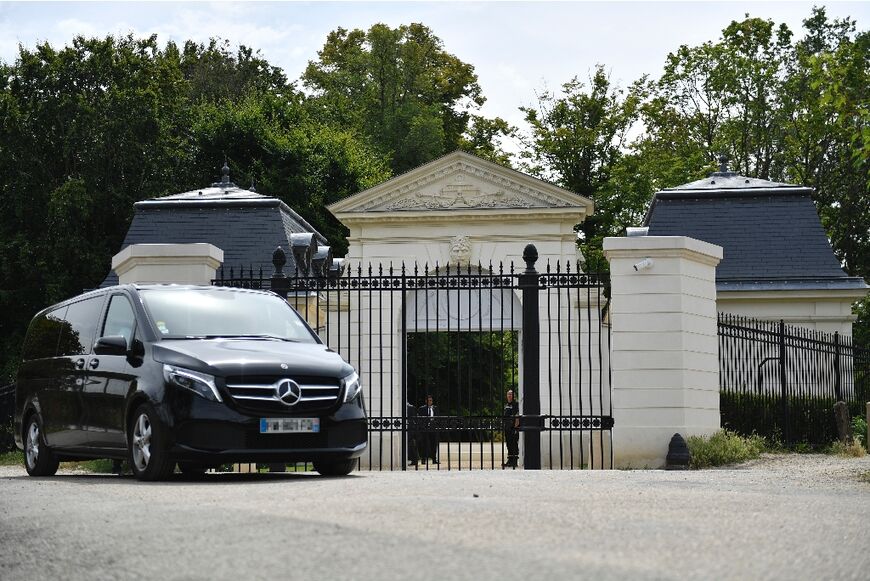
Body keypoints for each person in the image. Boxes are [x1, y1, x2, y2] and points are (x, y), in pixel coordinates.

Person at [418, 394, 439, 464]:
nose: (430, 402)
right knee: (424, 444)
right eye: (429, 400)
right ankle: (423, 459)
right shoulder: (422, 408)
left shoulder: (435, 408)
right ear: (426, 401)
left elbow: (437, 417)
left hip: (433, 428)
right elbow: (420, 419)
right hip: (425, 428)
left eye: (431, 400)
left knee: (434, 444)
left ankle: (434, 459)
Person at [502, 389, 520, 469]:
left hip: (513, 427)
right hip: (507, 427)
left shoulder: (516, 404)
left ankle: (514, 461)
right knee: (508, 444)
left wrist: (516, 426)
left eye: (511, 394)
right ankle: (509, 460)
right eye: (508, 394)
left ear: (513, 396)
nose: (509, 396)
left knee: (514, 444)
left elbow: (517, 415)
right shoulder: (506, 405)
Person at [406, 401, 419, 467]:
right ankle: (414, 459)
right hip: (408, 428)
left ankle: (414, 460)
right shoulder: (410, 407)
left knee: (411, 445)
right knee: (410, 445)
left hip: (410, 428)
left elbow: (414, 418)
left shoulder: (411, 407)